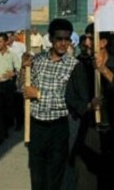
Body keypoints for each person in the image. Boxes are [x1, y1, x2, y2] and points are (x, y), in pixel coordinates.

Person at [66, 24, 114, 190]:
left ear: (102, 42)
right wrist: (89, 106)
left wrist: (104, 71)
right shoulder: (80, 68)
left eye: (91, 38)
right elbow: (71, 99)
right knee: (85, 181)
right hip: (89, 132)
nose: (86, 43)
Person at [22, 18, 78, 190]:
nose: (63, 43)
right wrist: (24, 70)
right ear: (51, 39)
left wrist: (38, 94)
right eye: (59, 38)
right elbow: (23, 90)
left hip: (58, 129)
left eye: (67, 39)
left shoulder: (74, 66)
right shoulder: (37, 61)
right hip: (36, 127)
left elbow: (69, 99)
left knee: (54, 178)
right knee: (37, 177)